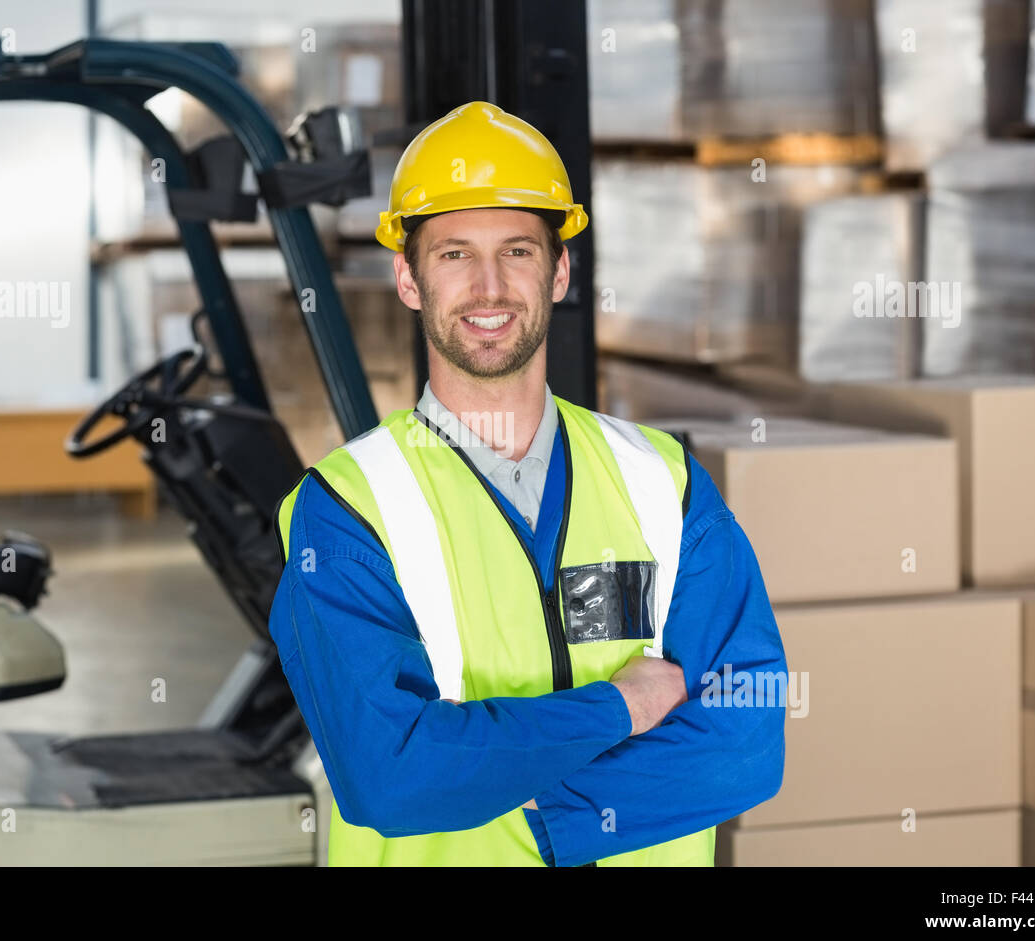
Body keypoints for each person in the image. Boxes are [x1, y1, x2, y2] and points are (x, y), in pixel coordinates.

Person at [270, 101, 786, 866]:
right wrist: (623, 706)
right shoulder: (348, 509)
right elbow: (392, 774)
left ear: (561, 271)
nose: (488, 287)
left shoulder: (662, 482)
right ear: (408, 278)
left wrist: (547, 811)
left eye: (516, 251)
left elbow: (748, 731)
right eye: (453, 255)